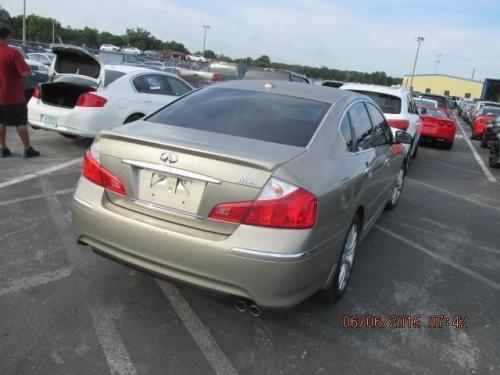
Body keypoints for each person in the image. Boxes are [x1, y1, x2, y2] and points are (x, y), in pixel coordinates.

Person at [0, 26, 40, 158]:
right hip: (13, 96)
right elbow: (25, 72)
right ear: (6, 37)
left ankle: (3, 148)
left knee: (1, 123)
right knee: (21, 123)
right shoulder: (13, 52)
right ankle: (27, 149)